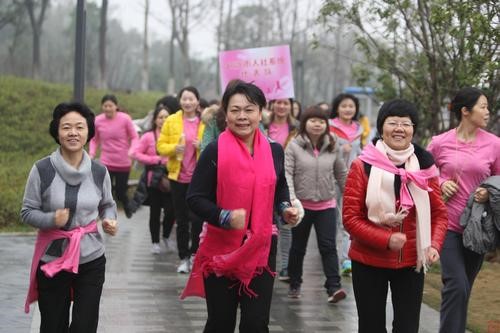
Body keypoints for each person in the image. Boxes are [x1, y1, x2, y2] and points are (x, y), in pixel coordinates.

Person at [180, 80, 299, 333]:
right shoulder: (214, 151)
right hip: (220, 248)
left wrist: (285, 208)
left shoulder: (274, 150)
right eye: (235, 110)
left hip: (262, 245)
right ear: (225, 113)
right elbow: (194, 197)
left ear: (260, 112)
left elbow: (279, 187)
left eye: (249, 109)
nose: (242, 116)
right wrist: (224, 216)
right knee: (221, 323)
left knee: (256, 323)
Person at [343, 99, 448, 333]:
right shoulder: (362, 166)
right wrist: (386, 239)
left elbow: (439, 213)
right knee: (371, 327)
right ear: (382, 128)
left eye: (406, 124)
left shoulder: (425, 167)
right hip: (368, 261)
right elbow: (350, 219)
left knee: (408, 327)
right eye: (393, 123)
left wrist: (434, 245)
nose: (399, 128)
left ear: (413, 130)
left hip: (411, 262)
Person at [21, 101, 118, 332]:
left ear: (89, 132)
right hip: (53, 259)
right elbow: (27, 211)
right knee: (53, 325)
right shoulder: (42, 169)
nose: (73, 132)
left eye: (79, 127)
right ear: (57, 131)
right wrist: (51, 220)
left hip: (91, 257)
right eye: (66, 127)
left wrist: (109, 219)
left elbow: (108, 204)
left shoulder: (99, 171)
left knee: (85, 325)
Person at [427, 87, 500, 333]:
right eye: (483, 106)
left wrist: (489, 192)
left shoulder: (494, 144)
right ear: (465, 111)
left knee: (463, 289)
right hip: (445, 224)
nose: (487, 112)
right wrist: (439, 182)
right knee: (456, 285)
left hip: (477, 227)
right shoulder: (439, 142)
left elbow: (499, 180)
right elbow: (420, 174)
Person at [284, 105, 348, 302]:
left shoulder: (332, 145)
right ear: (305, 123)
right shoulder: (294, 146)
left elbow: (341, 173)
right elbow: (287, 174)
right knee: (298, 247)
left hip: (326, 205)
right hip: (301, 206)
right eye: (313, 120)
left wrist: (352, 196)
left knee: (328, 246)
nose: (317, 125)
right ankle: (295, 283)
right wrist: (292, 200)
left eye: (321, 121)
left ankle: (334, 287)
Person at [157, 86, 205, 273]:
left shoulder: (205, 122)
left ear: (197, 102)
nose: (187, 102)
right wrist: (173, 149)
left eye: (191, 99)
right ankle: (184, 258)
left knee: (198, 219)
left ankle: (195, 254)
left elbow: (214, 146)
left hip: (199, 179)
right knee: (182, 219)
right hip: (177, 177)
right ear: (180, 101)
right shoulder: (171, 120)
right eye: (184, 99)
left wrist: (202, 146)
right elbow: (160, 146)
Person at [130, 106, 175, 254]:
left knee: (171, 211)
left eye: (166, 117)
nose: (163, 120)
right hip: (153, 180)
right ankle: (155, 242)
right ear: (155, 120)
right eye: (160, 117)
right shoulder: (148, 136)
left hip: (172, 177)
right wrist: (154, 159)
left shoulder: (175, 135)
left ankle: (166, 237)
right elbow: (135, 153)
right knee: (154, 213)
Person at [329, 93, 364, 275]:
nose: (348, 109)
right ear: (337, 108)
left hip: (352, 180)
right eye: (344, 106)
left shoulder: (359, 129)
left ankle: (346, 259)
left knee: (347, 219)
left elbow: (361, 153)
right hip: (332, 178)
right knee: (331, 220)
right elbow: (325, 151)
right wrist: (341, 149)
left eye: (351, 106)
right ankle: (331, 256)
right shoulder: (329, 127)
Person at [265, 97, 298, 281]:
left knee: (285, 224)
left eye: (286, 103)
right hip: (267, 176)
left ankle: (285, 266)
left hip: (289, 178)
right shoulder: (263, 125)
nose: (282, 106)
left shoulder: (296, 128)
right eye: (278, 102)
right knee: (270, 224)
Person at [89, 94, 138, 218]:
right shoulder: (98, 120)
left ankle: (127, 205)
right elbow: (94, 140)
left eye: (110, 106)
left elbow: (134, 137)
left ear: (116, 106)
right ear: (102, 107)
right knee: (106, 192)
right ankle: (108, 216)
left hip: (123, 162)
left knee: (121, 193)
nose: (108, 108)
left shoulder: (125, 119)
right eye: (105, 106)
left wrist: (132, 151)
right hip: (106, 162)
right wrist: (91, 154)